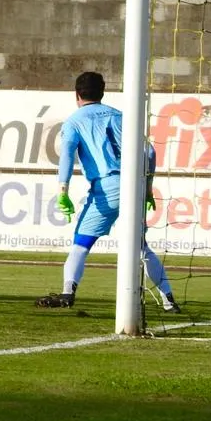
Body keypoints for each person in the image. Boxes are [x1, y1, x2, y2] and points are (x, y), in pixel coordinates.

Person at [36, 71, 180, 312]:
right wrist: (146, 189)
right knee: (140, 247)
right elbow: (150, 152)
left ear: (77, 94)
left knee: (81, 243)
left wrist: (63, 191)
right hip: (135, 182)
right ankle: (168, 300)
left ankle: (67, 292)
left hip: (107, 187)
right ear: (102, 93)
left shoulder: (74, 121)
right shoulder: (120, 116)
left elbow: (67, 156)